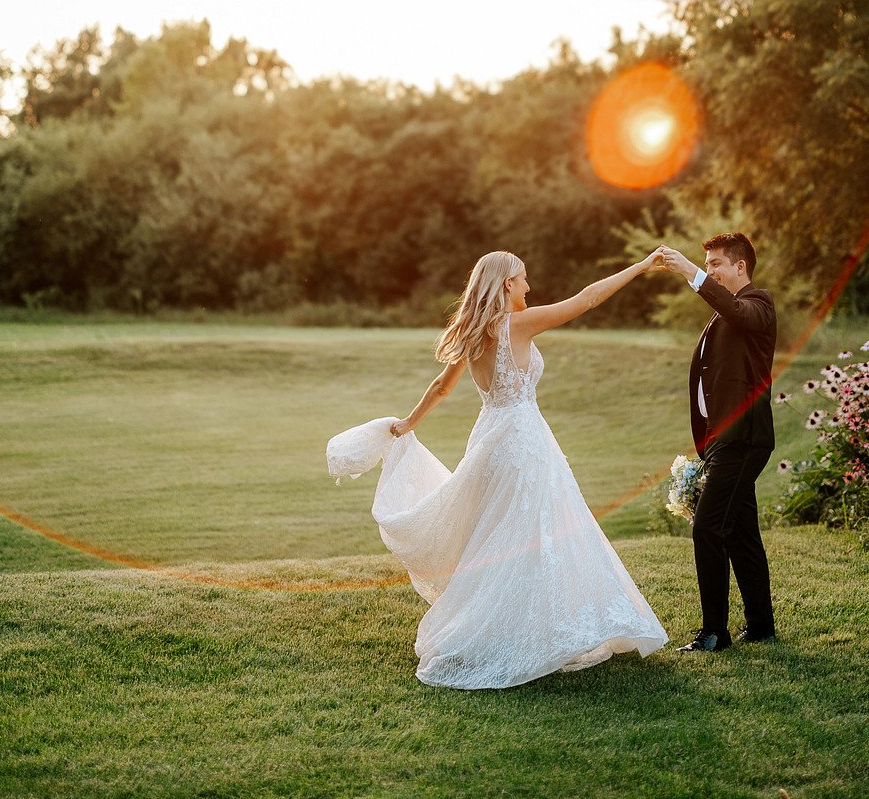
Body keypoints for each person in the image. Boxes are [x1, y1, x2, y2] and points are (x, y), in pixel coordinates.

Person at [326, 250, 669, 689]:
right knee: (534, 533)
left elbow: (441, 386)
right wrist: (640, 268)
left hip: (491, 440)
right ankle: (522, 635)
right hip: (523, 444)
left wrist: (408, 423)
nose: (529, 286)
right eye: (523, 279)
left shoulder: (472, 332)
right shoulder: (514, 325)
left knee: (500, 535)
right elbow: (586, 301)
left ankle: (514, 628)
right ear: (507, 284)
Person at [659, 233, 777, 651]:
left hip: (743, 439)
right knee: (741, 531)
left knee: (708, 528)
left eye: (715, 264)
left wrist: (690, 273)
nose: (709, 270)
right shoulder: (724, 315)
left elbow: (738, 311)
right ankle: (761, 626)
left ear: (739, 266)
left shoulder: (758, 304)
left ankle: (714, 632)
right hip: (721, 441)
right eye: (706, 264)